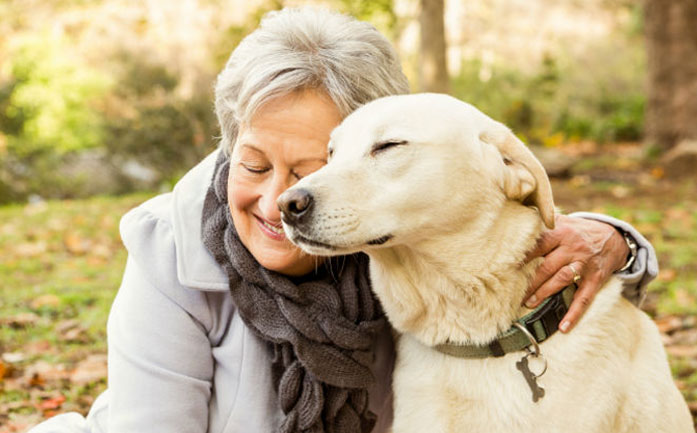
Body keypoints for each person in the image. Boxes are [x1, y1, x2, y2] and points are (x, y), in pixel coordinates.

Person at [30, 7, 657, 433]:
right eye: (251, 164)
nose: (284, 197)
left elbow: (483, 206)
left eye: (312, 166)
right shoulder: (170, 251)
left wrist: (617, 240)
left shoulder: (396, 243)